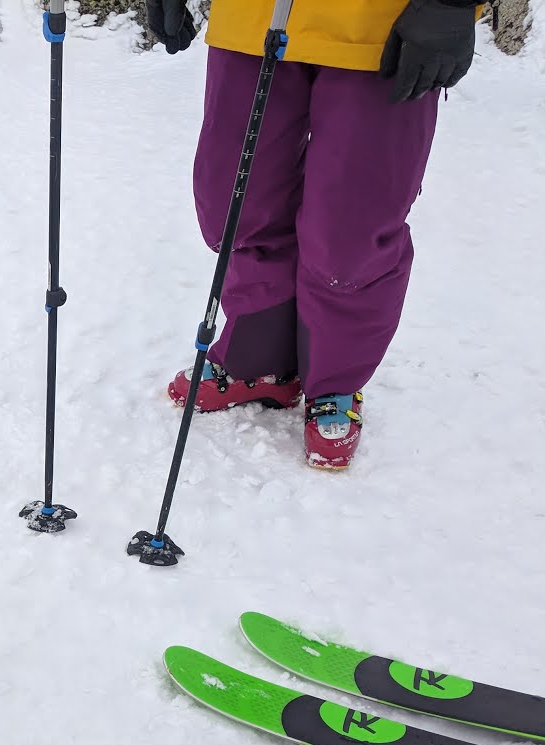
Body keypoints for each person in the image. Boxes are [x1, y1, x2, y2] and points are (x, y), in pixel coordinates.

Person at [145, 0, 480, 468]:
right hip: (250, 18)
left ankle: (335, 382)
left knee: (351, 227)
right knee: (235, 203)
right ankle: (259, 361)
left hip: (382, 27)